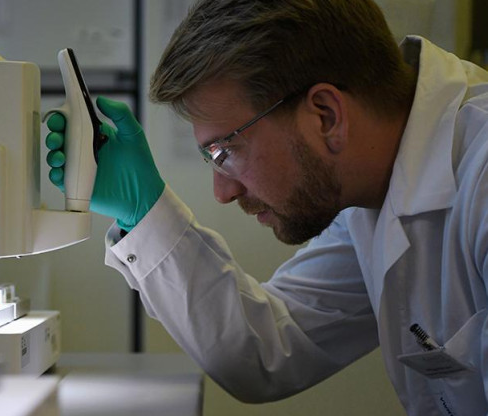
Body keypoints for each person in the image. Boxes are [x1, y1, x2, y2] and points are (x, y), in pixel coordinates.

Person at [44, 0, 488, 414]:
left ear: (325, 116)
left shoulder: (480, 177)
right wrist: (143, 213)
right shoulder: (369, 192)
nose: (223, 192)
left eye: (224, 152)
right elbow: (267, 348)